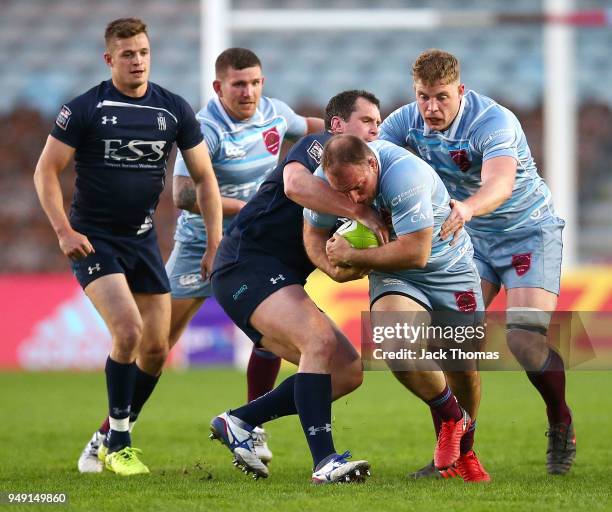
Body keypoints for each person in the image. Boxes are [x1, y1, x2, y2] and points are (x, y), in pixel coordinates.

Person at [77, 47, 324, 472]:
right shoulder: (205, 126)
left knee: (271, 333)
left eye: (255, 82)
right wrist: (253, 206)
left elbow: (318, 132)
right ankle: (108, 434)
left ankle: (250, 425)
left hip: (256, 248)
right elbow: (184, 195)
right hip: (200, 249)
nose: (248, 92)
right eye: (238, 84)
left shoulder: (277, 114)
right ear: (219, 87)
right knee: (156, 346)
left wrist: (341, 142)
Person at [33, 18, 223, 476]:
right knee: (128, 333)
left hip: (141, 241)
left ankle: (104, 436)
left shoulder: (172, 109)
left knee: (157, 350)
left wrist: (215, 241)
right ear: (109, 59)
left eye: (142, 52)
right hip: (93, 241)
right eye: (127, 54)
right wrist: (62, 230)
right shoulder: (86, 109)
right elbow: (46, 171)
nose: (137, 60)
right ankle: (120, 442)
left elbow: (204, 179)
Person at [379, 49, 574, 475]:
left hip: (527, 232)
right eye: (423, 97)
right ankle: (454, 455)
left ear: (461, 91)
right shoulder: (402, 122)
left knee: (523, 339)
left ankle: (560, 419)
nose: (431, 108)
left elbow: (500, 183)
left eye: (441, 97)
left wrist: (467, 208)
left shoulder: (493, 121)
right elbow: (374, 164)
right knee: (450, 345)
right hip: (467, 239)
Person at [208, 90, 385, 483]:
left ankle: (240, 420)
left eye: (378, 122)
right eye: (368, 121)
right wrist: (361, 213)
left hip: (278, 275)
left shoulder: (363, 177)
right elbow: (294, 186)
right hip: (245, 264)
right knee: (318, 342)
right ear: (338, 125)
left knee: (347, 370)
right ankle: (325, 461)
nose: (376, 129)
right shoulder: (318, 145)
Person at [303, 135, 490, 483]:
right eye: (343, 193)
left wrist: (353, 256)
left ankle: (465, 451)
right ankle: (452, 419)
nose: (354, 199)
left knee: (463, 368)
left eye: (358, 188)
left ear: (372, 164)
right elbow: (312, 234)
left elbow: (415, 253)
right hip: (395, 277)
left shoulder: (405, 175)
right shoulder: (328, 181)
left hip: (449, 269)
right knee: (397, 347)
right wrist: (332, 269)